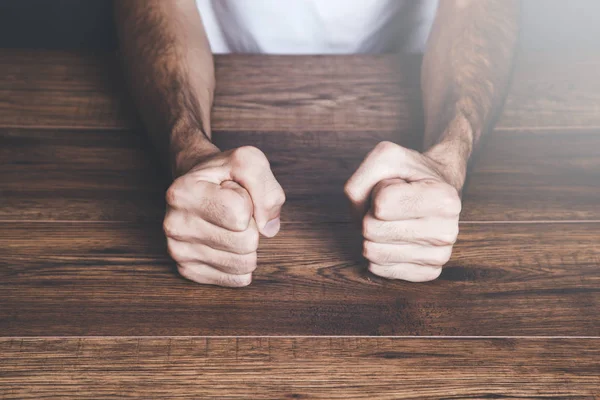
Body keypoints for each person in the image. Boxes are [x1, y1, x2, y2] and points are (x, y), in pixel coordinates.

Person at [114, 0, 520, 287]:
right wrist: (188, 148)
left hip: (418, 62)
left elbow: (476, 6)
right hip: (219, 60)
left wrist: (451, 153)